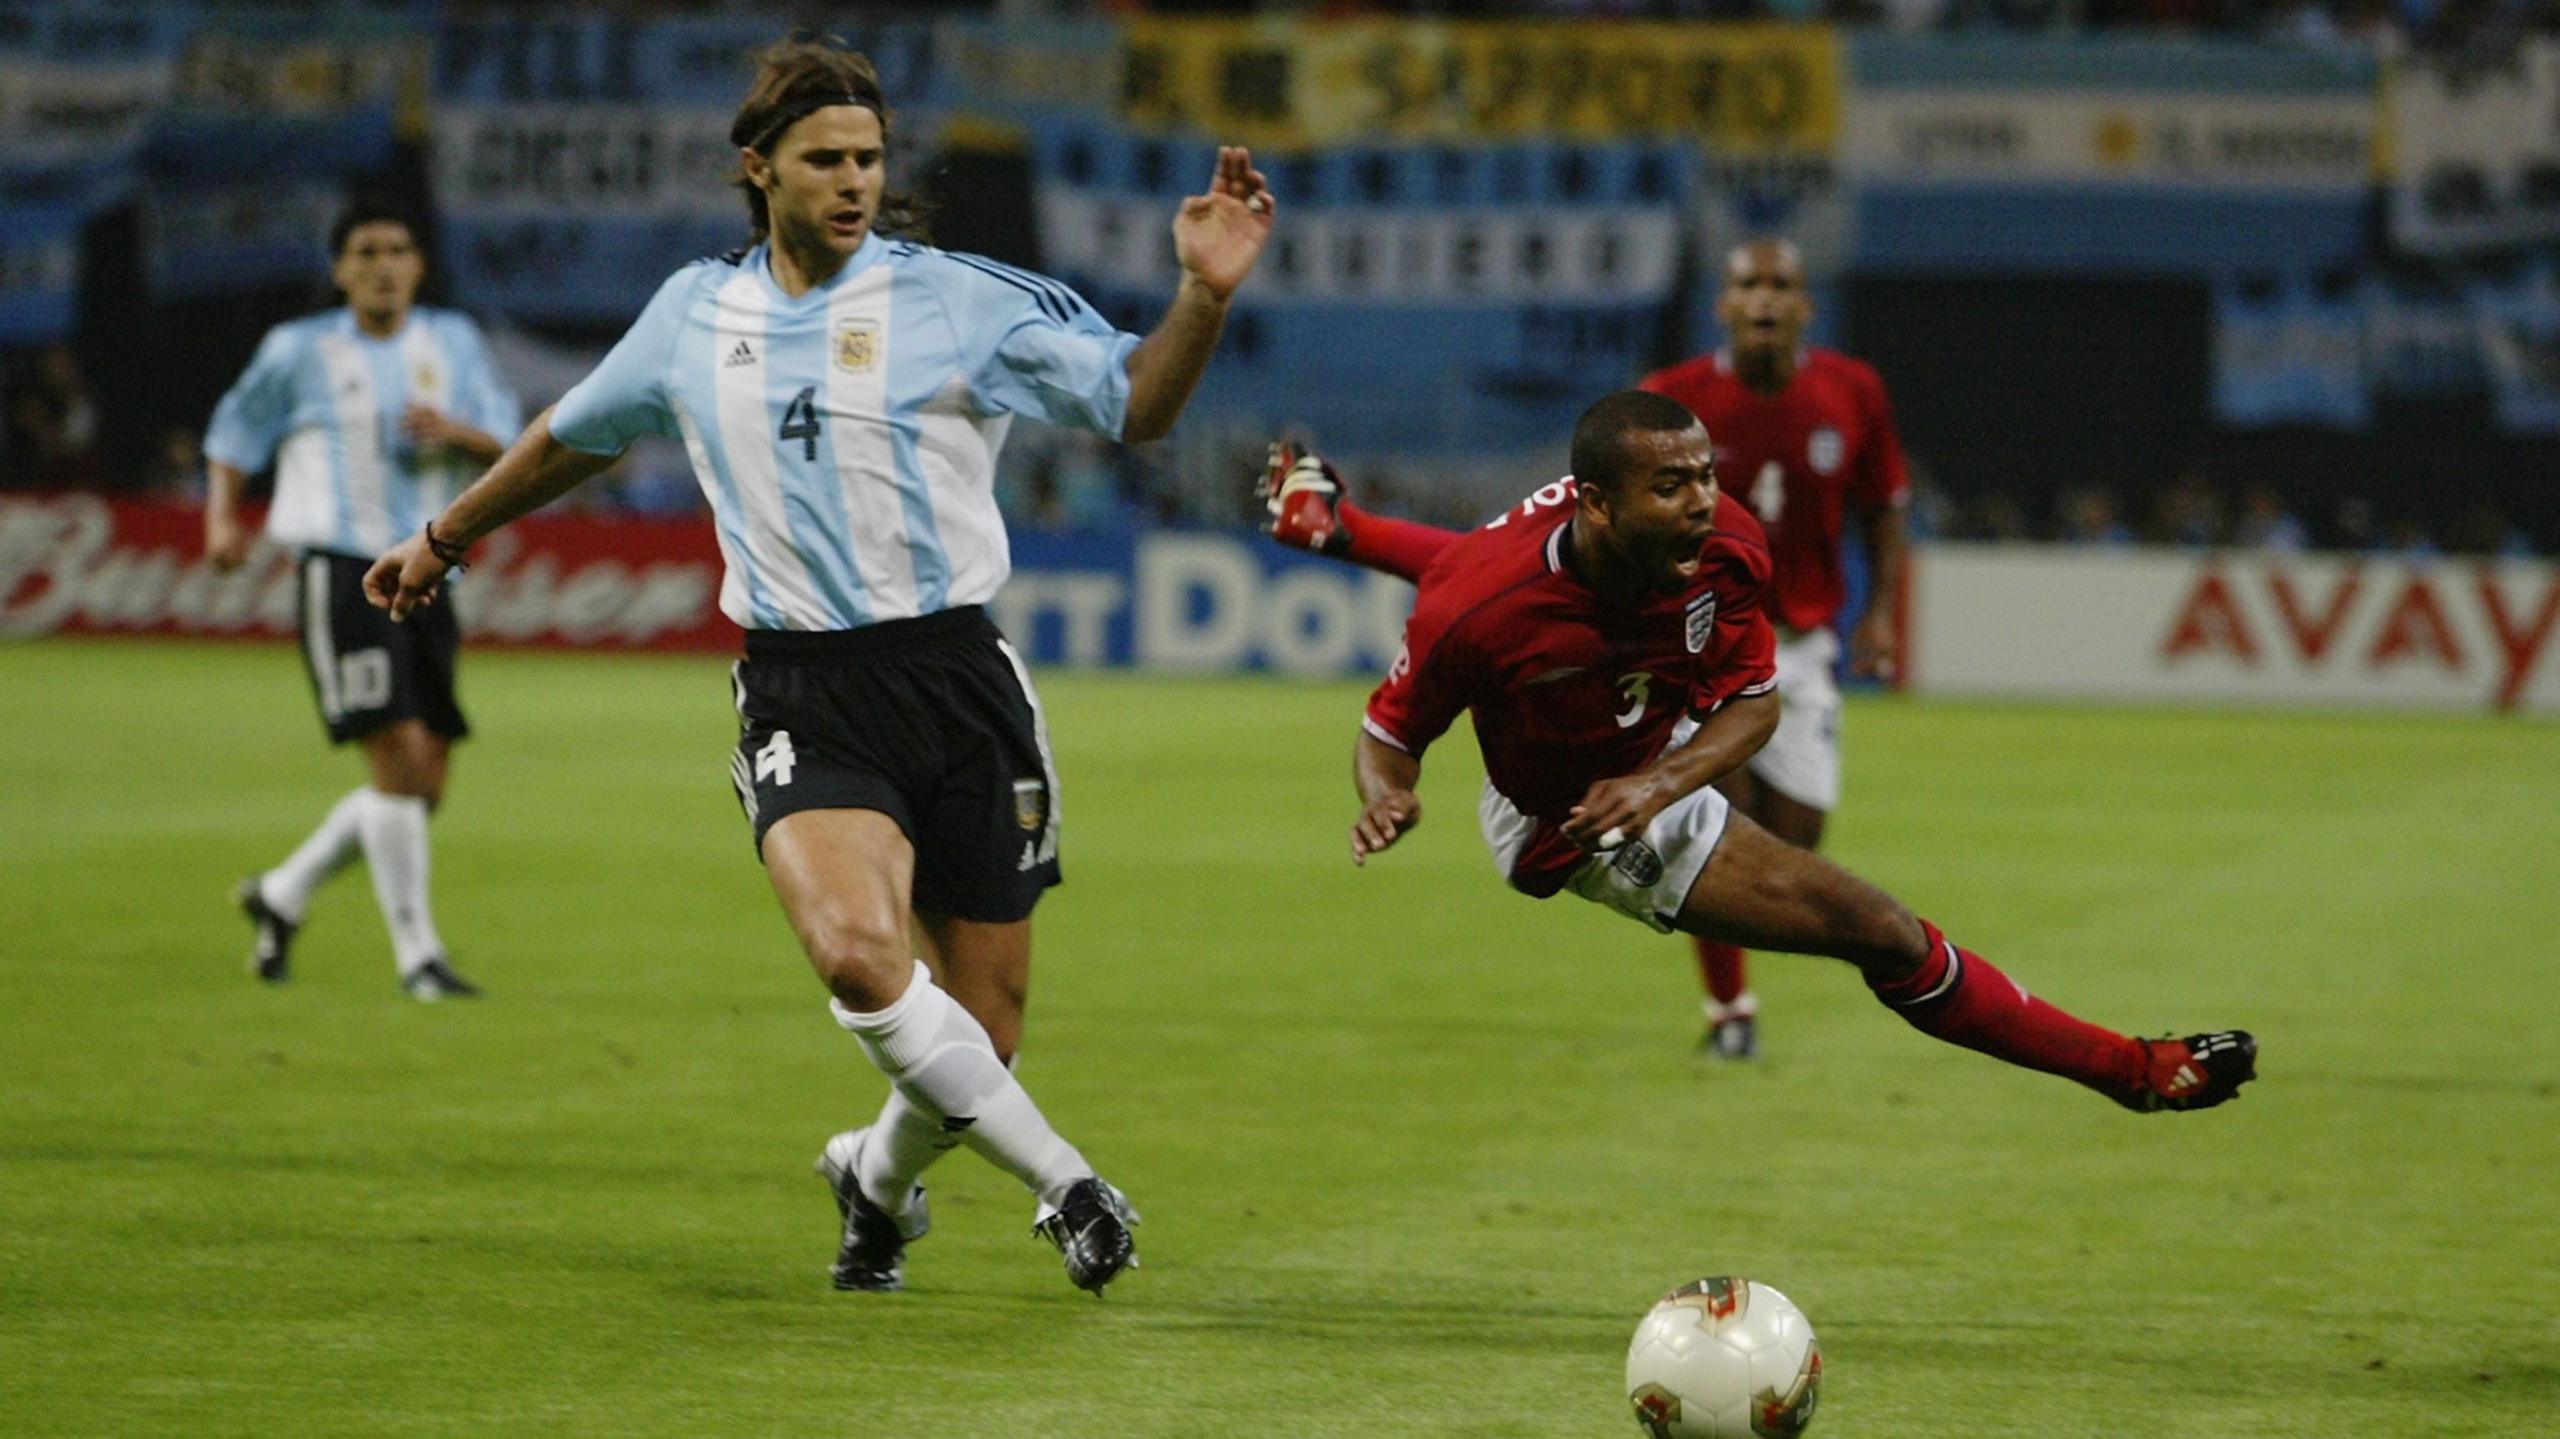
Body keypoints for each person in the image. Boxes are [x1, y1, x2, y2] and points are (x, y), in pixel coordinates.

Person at [363, 38, 1273, 1295]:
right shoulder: (695, 312)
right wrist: (445, 533)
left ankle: (874, 1180)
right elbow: (571, 434)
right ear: (759, 168)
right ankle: (1068, 1183)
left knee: (979, 1037)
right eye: (824, 160)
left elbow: (1139, 404)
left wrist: (1204, 300)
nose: (852, 180)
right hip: (803, 686)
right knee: (856, 952)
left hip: (958, 679)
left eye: (868, 158)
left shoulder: (958, 300)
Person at [1340, 391, 2255, 1115]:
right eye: (1671, 487)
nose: (1702, 502)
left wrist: (1656, 782)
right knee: (1877, 926)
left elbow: (1753, 704)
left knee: (1887, 931)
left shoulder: (1728, 546)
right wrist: (1389, 797)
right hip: (1562, 818)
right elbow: (1388, 737)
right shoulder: (1478, 611)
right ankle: (2131, 1068)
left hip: (1648, 764)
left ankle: (2134, 1072)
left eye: (1703, 476)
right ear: (1597, 505)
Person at [1267, 238, 1908, 1061]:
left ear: (1806, 303)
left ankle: (1342, 528)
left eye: (1783, 284)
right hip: (1678, 629)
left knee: (1795, 840)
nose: (1765, 300)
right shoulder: (1669, 406)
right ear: (1723, 301)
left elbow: (1884, 506)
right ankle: (1730, 1009)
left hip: (1799, 640)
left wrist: (1882, 609)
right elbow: (1504, 565)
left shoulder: (1852, 392)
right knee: (1711, 806)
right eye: (1748, 283)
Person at [205, 196, 520, 1001]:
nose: (383, 265)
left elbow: (507, 440)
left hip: (428, 568)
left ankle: (283, 892)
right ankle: (420, 959)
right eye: (366, 251)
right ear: (341, 269)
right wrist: (221, 518)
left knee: (425, 783)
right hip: (342, 572)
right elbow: (235, 431)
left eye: (397, 250)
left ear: (418, 264)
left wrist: (452, 431)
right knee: (401, 761)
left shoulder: (450, 341)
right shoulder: (300, 350)